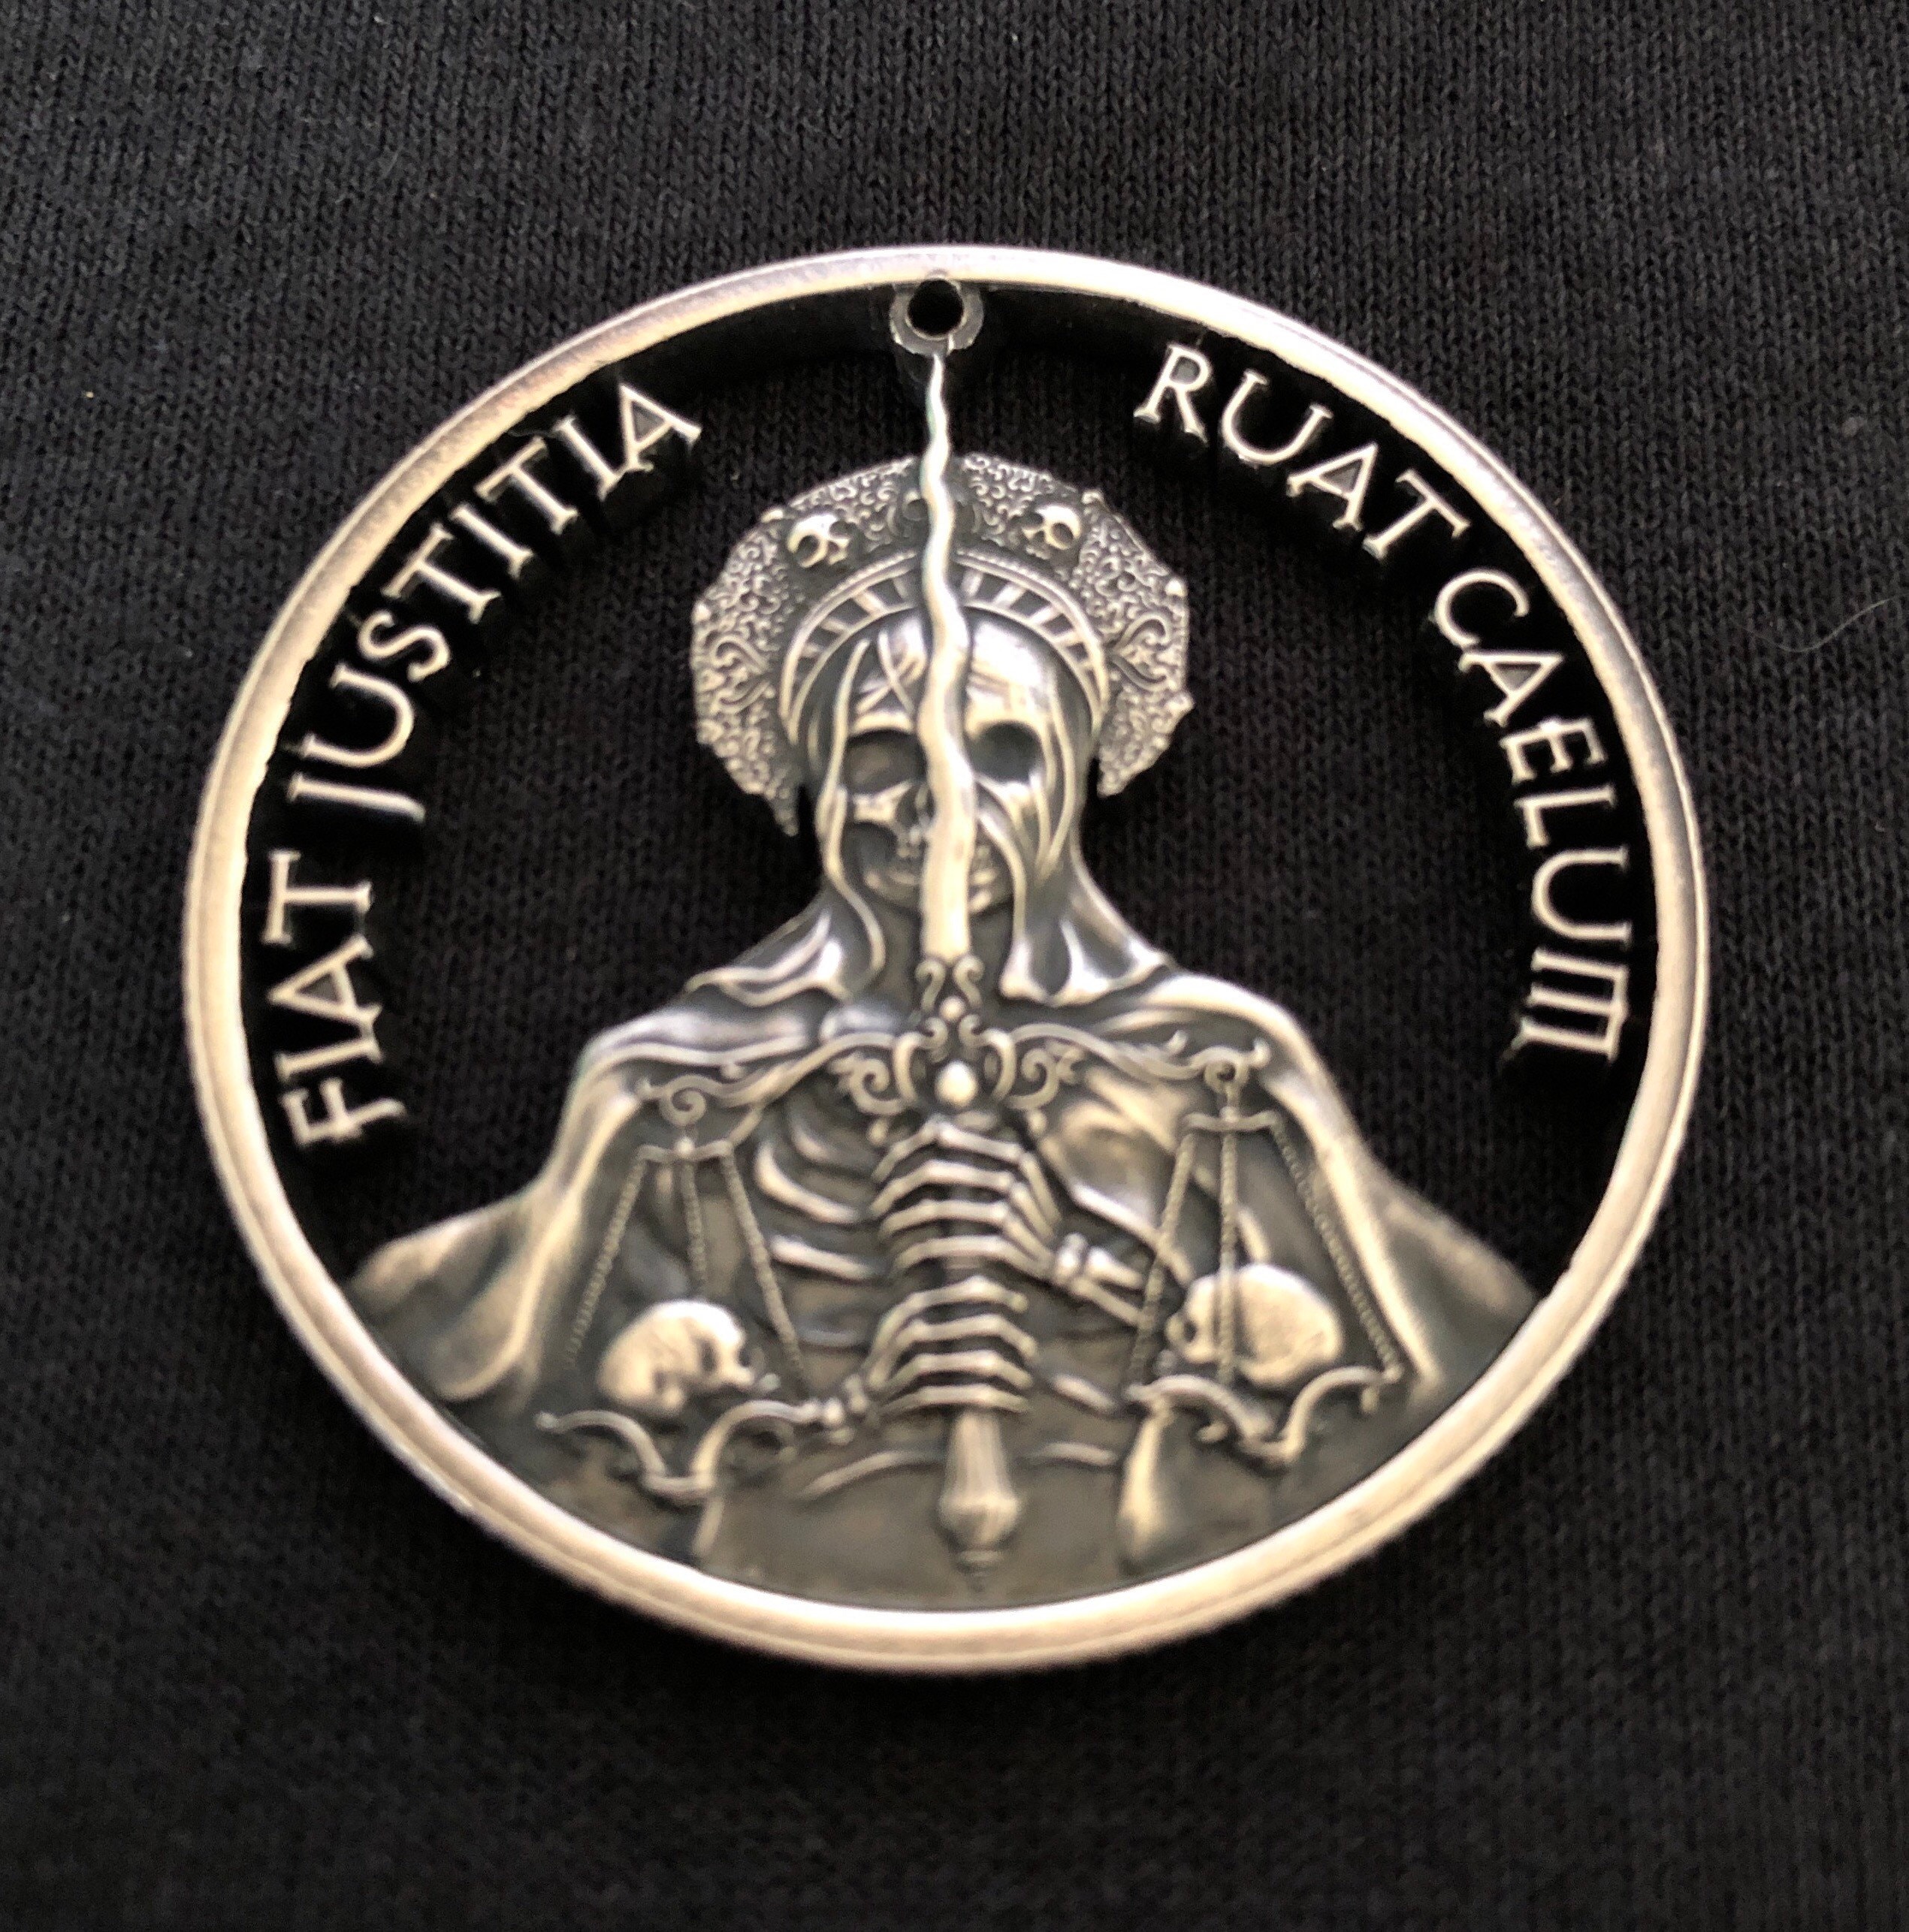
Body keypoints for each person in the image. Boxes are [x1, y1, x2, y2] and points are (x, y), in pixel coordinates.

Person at [356, 442, 1531, 1607]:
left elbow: (1395, 1364)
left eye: (1000, 753)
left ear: (1073, 771)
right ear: (811, 780)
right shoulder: (671, 1087)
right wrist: (847, 1388)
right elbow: (508, 1380)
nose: (944, 809)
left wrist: (1076, 1264)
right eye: (883, 754)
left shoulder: (1218, 1067)